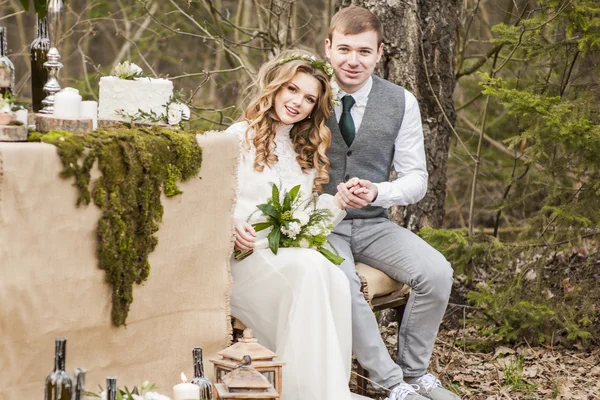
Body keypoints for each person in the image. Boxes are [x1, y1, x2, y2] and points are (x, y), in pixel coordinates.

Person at [323, 6, 460, 400]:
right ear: (328, 47)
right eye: (345, 49)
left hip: (372, 223)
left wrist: (379, 192)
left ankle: (414, 373)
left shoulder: (402, 102)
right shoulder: (308, 91)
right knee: (343, 283)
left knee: (436, 272)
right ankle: (388, 383)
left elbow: (417, 178)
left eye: (364, 51)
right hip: (320, 223)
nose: (353, 60)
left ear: (380, 52)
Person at [227, 50, 368, 400]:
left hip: (286, 254)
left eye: (309, 99)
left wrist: (337, 202)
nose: (298, 103)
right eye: (292, 89)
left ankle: (324, 388)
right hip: (242, 258)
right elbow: (208, 199)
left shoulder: (301, 150)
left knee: (332, 275)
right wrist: (230, 224)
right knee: (309, 268)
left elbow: (303, 216)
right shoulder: (236, 137)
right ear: (275, 88)